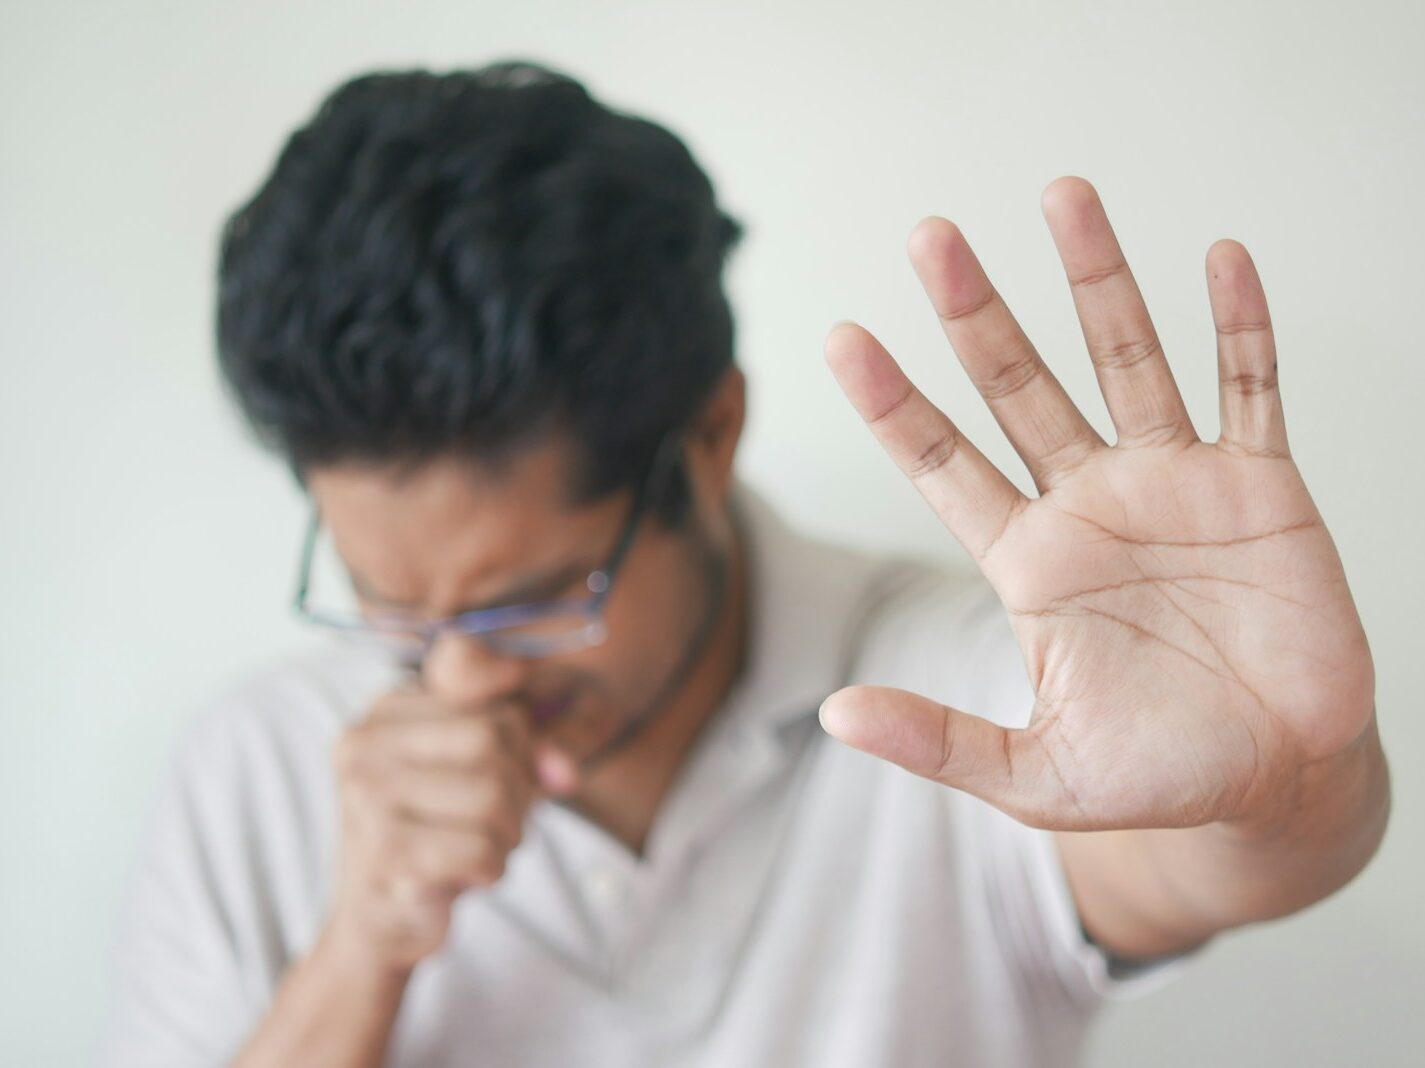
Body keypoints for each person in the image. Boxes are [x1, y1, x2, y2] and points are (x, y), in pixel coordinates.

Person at [97, 59, 1390, 1068]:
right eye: (387, 607)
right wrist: (357, 956)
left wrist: (1279, 787)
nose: (461, 679)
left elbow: (1196, 861)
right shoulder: (255, 767)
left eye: (535, 602)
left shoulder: (956, 684)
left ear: (709, 437)